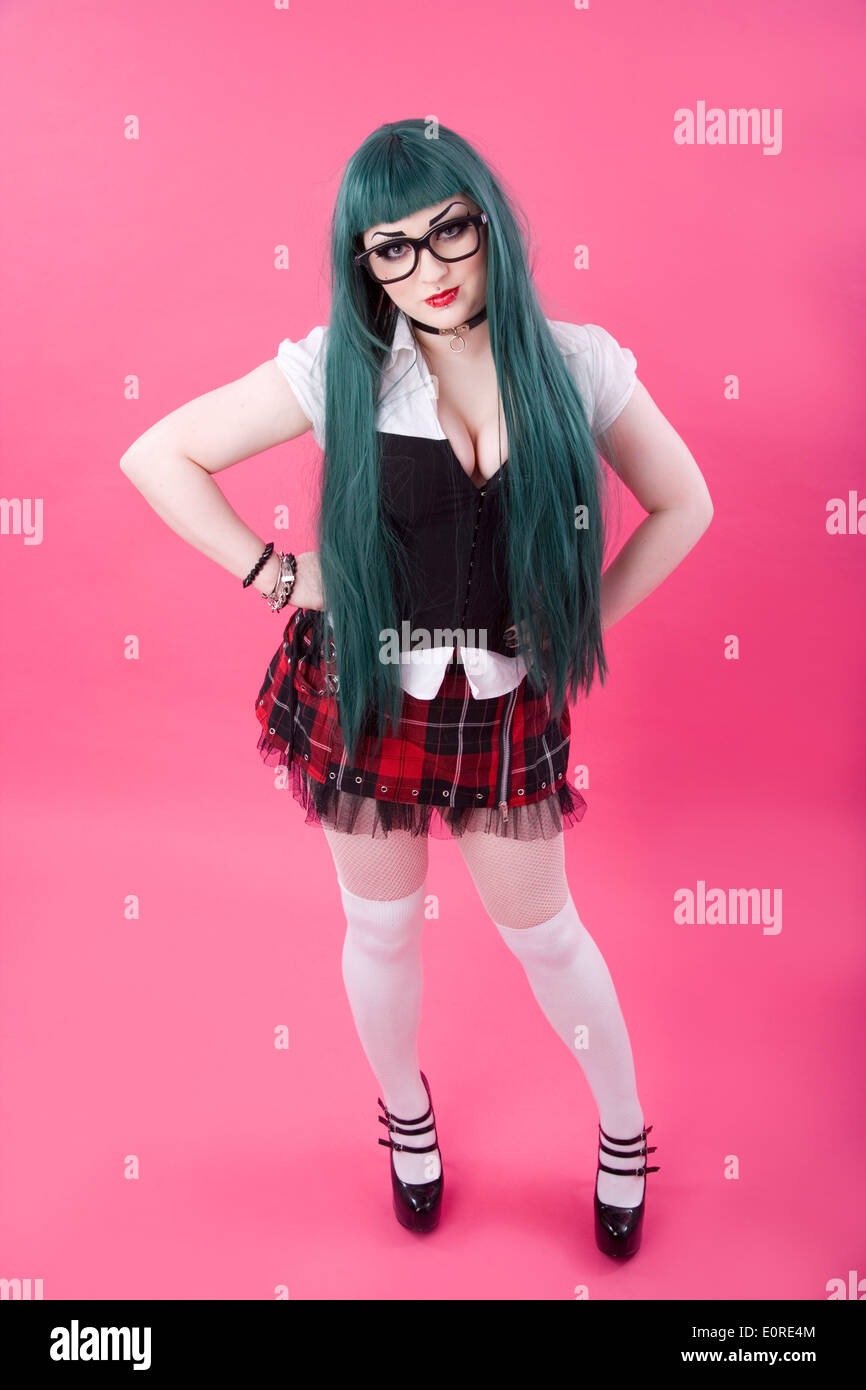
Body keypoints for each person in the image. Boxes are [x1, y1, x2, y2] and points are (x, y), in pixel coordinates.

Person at [120, 119, 713, 1258]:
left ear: (486, 223)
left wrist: (579, 619)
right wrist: (281, 576)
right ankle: (405, 1119)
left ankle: (625, 1131)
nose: (427, 269)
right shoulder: (341, 367)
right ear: (363, 264)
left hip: (503, 698)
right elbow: (159, 453)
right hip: (371, 694)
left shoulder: (575, 362)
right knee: (380, 929)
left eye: (446, 231)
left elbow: (683, 503)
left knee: (547, 940)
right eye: (388, 248)